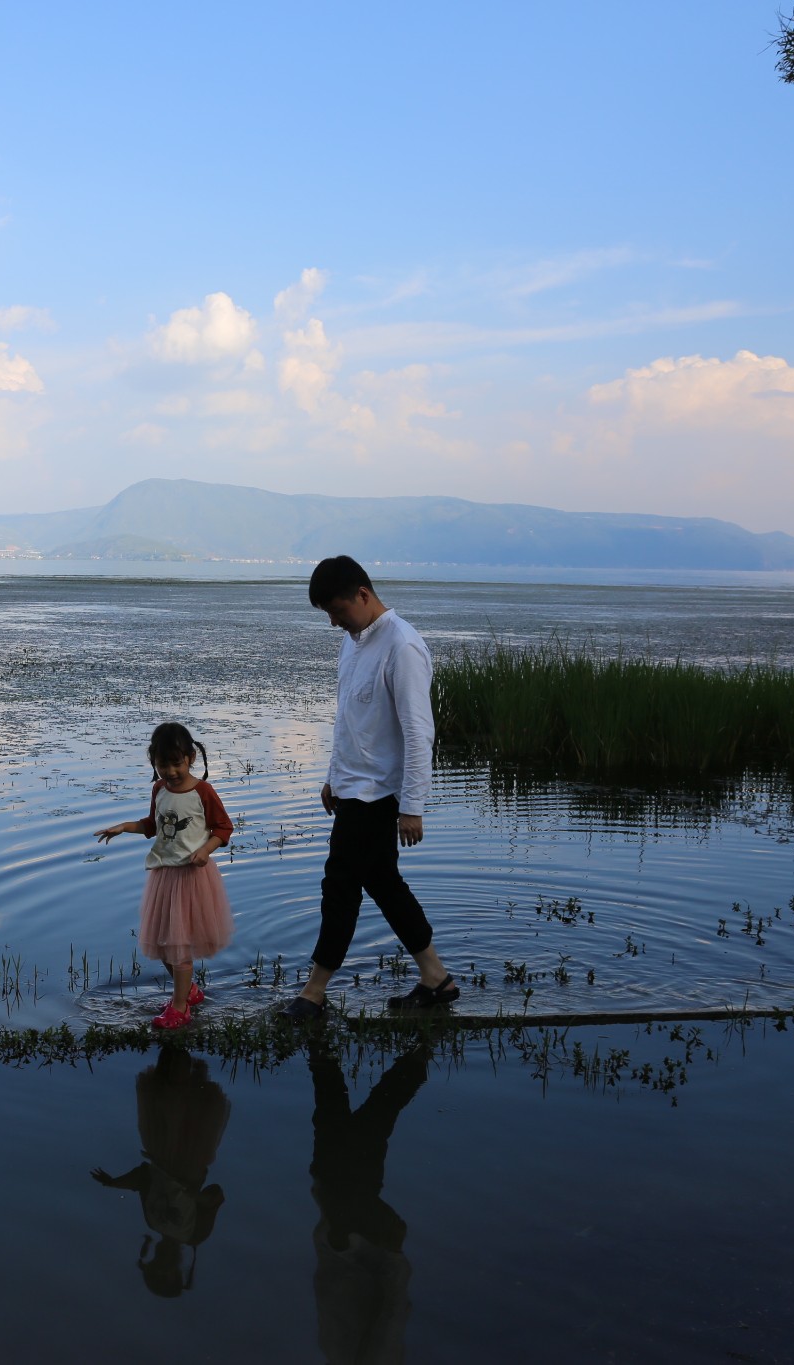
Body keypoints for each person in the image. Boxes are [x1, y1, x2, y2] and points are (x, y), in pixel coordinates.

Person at [281, 555, 456, 1021]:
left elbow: (420, 733)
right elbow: (351, 721)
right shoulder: (354, 644)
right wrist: (332, 778)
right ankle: (436, 979)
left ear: (363, 594)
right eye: (328, 615)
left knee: (340, 886)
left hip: (379, 796)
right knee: (383, 883)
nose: (335, 623)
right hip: (352, 789)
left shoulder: (403, 646)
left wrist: (412, 807)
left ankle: (314, 994)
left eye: (338, 611)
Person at [95, 721, 236, 1030]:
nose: (170, 771)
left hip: (193, 878)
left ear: (191, 759)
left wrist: (206, 850)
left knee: (180, 946)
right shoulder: (159, 789)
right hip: (164, 878)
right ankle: (189, 992)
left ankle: (180, 1007)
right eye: (162, 765)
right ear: (153, 763)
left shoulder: (203, 792)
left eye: (176, 763)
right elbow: (152, 824)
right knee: (163, 944)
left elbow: (224, 828)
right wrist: (123, 827)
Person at [308, 1041, 429, 1363]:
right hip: (357, 1229)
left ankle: (323, 1052)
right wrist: (393, 1255)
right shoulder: (366, 1352)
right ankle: (413, 1063)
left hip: (344, 1227)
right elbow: (391, 1312)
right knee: (363, 1126)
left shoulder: (340, 1349)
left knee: (345, 1124)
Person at [89, 1047, 233, 1297]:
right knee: (186, 1092)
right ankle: (185, 1038)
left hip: (159, 1149)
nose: (163, 1259)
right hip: (190, 1156)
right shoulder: (195, 1235)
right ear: (178, 1267)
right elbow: (217, 1196)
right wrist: (193, 1196)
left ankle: (176, 1035)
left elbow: (145, 1180)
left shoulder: (153, 1221)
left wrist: (114, 1183)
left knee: (165, 1085)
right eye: (167, 1267)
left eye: (158, 1264)